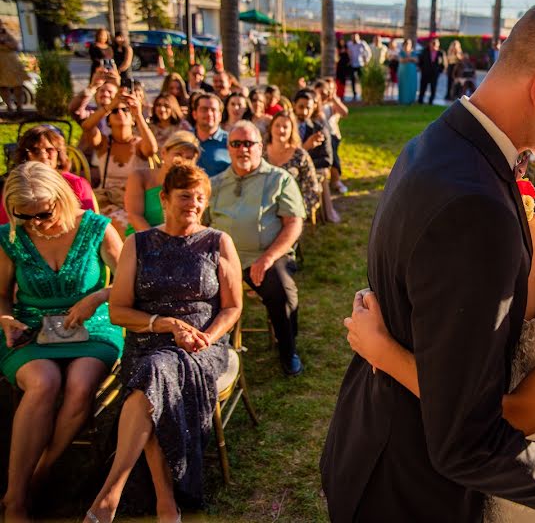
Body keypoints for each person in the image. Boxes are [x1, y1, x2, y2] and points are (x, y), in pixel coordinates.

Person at [322, 0, 535, 523]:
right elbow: (467, 442)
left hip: (373, 447)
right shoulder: (477, 208)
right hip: (411, 490)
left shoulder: (439, 143)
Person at [84, 163, 243, 522]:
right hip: (147, 340)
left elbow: (233, 307)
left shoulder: (218, 242)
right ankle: (164, 501)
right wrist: (164, 323)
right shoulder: (137, 244)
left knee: (152, 376)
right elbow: (119, 311)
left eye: (200, 198)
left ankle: (111, 495)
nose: (194, 203)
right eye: (185, 195)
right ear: (165, 198)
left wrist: (207, 338)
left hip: (202, 345)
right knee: (154, 371)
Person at [0, 162, 123, 522]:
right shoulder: (10, 236)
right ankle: (17, 500)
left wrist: (98, 297)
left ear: (61, 197)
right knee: (44, 382)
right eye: (25, 216)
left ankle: (38, 474)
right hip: (31, 325)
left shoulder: (96, 228)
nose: (35, 223)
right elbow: (1, 296)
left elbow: (133, 282)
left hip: (93, 324)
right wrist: (6, 319)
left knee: (81, 383)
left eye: (43, 214)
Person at [208, 122, 306, 375]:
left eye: (249, 143)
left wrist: (268, 258)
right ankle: (208, 349)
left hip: (266, 254)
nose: (243, 149)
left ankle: (288, 349)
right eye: (236, 144)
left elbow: (294, 222)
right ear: (228, 148)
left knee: (281, 288)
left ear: (260, 147)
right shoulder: (215, 183)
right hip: (222, 259)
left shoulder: (279, 179)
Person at [81, 87, 159, 237]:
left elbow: (152, 149)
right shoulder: (104, 144)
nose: (120, 113)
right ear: (109, 120)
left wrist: (138, 114)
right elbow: (86, 126)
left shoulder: (139, 144)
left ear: (132, 119)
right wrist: (110, 106)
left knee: (125, 221)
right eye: (115, 112)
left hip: (134, 201)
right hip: (107, 200)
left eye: (125, 110)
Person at [0, 125, 96, 224]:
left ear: (59, 153)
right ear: (25, 155)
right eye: (35, 150)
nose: (43, 156)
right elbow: (4, 224)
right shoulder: (14, 185)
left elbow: (90, 225)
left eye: (49, 150)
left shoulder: (76, 184)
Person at [124, 131, 200, 236]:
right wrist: (158, 242)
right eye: (178, 154)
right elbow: (134, 215)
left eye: (189, 158)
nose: (182, 160)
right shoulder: (140, 176)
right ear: (164, 153)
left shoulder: (193, 186)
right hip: (142, 238)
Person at [264, 110, 322, 220]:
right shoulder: (260, 152)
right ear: (271, 128)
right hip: (264, 210)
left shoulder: (300, 155)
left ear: (292, 130)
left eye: (285, 127)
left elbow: (312, 189)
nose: (281, 130)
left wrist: (298, 211)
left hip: (291, 210)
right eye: (277, 125)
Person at [295, 90, 339, 223]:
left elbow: (327, 160)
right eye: (301, 107)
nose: (304, 111)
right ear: (294, 105)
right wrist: (306, 147)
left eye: (308, 107)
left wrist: (306, 165)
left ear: (313, 107)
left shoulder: (318, 129)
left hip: (311, 171)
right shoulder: (286, 128)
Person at [314, 78, 350, 195]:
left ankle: (335, 180)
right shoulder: (314, 104)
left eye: (325, 93)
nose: (322, 96)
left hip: (332, 136)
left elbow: (344, 113)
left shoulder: (331, 104)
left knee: (332, 153)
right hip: (318, 136)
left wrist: (333, 98)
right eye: (319, 93)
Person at [193, 93, 230, 177]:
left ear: (220, 116)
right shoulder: (184, 141)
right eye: (204, 109)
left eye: (213, 110)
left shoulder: (232, 142)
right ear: (194, 114)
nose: (209, 114)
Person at [0, 21, 28, 113]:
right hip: (1, 63)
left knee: (18, 85)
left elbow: (16, 46)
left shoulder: (6, 33)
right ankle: (9, 107)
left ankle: (19, 106)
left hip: (12, 62)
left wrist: (5, 42)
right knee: (3, 86)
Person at [418, 37, 445, 105]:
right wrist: (422, 69)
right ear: (430, 43)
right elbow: (420, 61)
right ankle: (420, 101)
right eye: (433, 43)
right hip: (425, 72)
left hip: (434, 73)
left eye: (435, 43)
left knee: (433, 88)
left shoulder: (440, 53)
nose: (434, 44)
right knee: (423, 87)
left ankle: (431, 101)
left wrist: (439, 71)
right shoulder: (425, 51)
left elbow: (443, 64)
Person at [347, 33, 372, 100]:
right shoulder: (349, 44)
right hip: (352, 64)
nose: (354, 39)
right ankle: (354, 94)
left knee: (362, 80)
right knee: (353, 80)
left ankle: (363, 93)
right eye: (352, 37)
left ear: (358, 37)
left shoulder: (362, 43)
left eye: (355, 37)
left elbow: (368, 52)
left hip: (360, 64)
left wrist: (366, 60)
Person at [397, 39, 418, 105]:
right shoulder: (401, 52)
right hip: (403, 72)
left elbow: (416, 60)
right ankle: (403, 101)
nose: (407, 45)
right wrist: (411, 59)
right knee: (403, 85)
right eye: (406, 44)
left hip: (412, 72)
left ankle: (411, 100)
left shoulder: (413, 52)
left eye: (409, 44)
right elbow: (401, 60)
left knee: (411, 85)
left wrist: (408, 59)